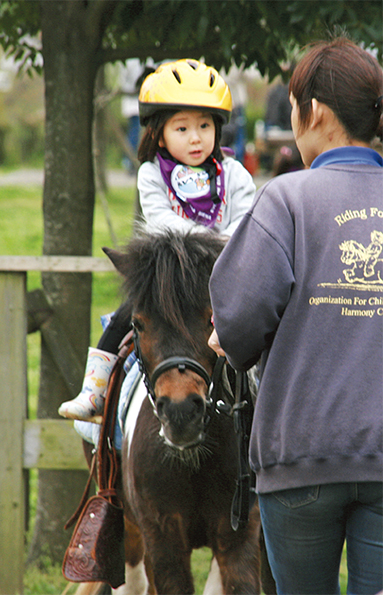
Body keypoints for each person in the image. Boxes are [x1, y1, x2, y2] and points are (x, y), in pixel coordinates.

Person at [208, 37, 383, 594]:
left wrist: (227, 336)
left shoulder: (286, 199)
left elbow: (237, 324)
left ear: (316, 113)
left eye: (291, 107)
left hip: (299, 457)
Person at [58, 58, 256, 422]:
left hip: (223, 274)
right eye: (182, 128)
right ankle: (95, 389)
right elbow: (161, 220)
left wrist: (216, 249)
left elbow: (245, 222)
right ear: (159, 134)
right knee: (127, 314)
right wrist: (210, 243)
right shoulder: (151, 174)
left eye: (204, 125)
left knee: (261, 325)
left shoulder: (235, 174)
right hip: (170, 274)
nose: (195, 137)